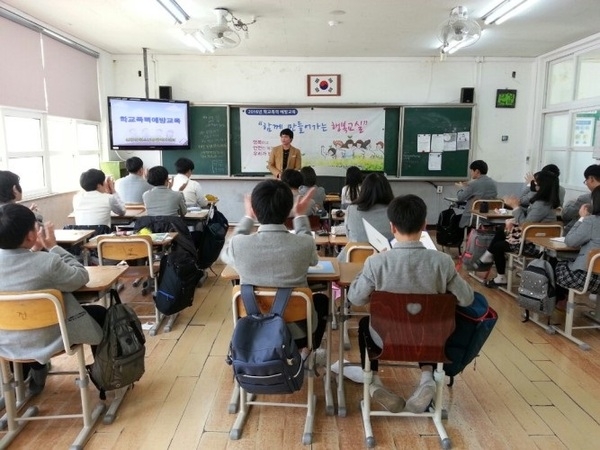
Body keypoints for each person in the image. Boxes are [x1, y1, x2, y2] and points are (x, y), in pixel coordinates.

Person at [347, 194, 474, 413]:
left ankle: (374, 383)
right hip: (431, 337)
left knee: (364, 326)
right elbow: (467, 299)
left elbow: (355, 298)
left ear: (392, 227)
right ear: (424, 225)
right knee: (430, 323)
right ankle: (427, 379)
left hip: (384, 337)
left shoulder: (377, 262)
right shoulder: (442, 262)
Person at [0, 203, 105, 394]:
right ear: (32, 235)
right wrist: (53, 247)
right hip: (50, 337)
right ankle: (106, 376)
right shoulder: (47, 261)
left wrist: (33, 251)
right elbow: (80, 277)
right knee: (101, 314)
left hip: (6, 341)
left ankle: (32, 375)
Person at [220, 179, 328, 360]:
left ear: (255, 210)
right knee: (321, 301)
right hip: (298, 333)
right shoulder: (304, 243)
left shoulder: (239, 245)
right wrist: (300, 216)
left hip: (252, 329)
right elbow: (313, 258)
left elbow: (225, 252)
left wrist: (248, 218)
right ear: (288, 211)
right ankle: (305, 353)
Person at [474, 170, 560, 287]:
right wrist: (515, 210)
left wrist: (515, 207)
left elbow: (525, 225)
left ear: (542, 186)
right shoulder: (544, 202)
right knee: (502, 230)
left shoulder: (541, 205)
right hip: (533, 240)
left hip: (534, 245)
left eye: (536, 183)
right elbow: (529, 213)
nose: (533, 185)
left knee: (498, 246)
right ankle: (488, 256)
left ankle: (498, 274)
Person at [555, 185, 600, 300]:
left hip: (588, 278)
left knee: (554, 263)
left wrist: (581, 218)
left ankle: (559, 302)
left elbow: (570, 241)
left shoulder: (591, 221)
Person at [338, 172, 394, 261]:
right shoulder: (394, 211)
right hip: (386, 264)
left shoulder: (352, 209)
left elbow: (348, 236)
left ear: (364, 190)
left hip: (354, 263)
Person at [455, 160, 498, 229]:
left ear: (477, 171)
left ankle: (464, 238)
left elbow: (461, 197)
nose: (471, 173)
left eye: (472, 171)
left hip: (473, 217)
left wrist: (462, 188)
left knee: (454, 219)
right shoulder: (493, 183)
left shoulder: (473, 184)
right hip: (489, 218)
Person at [562, 164, 600, 234]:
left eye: (586, 180)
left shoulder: (585, 199)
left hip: (578, 236)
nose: (586, 183)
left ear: (591, 179)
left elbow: (566, 215)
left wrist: (570, 202)